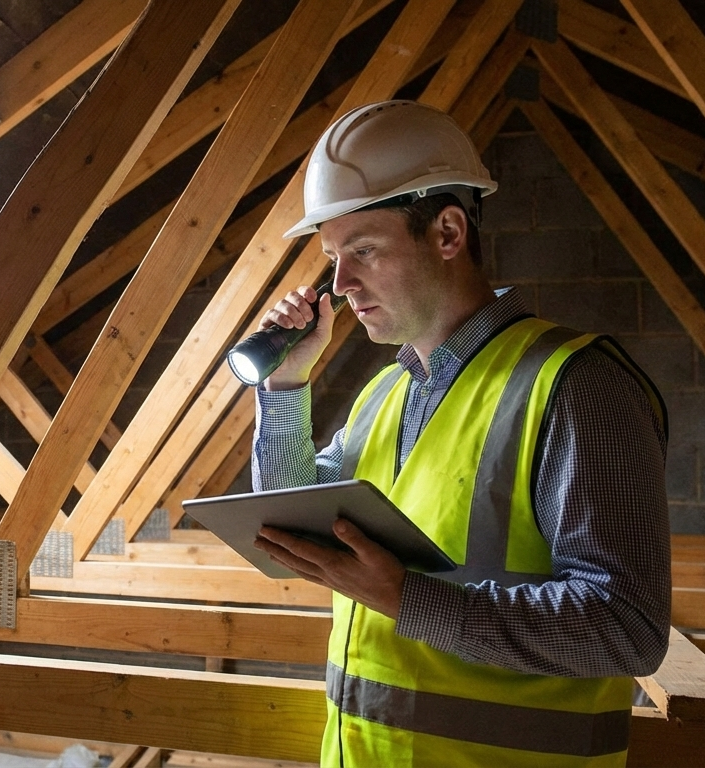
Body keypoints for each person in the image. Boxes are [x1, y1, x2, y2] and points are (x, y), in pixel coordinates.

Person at [248, 100, 670, 766]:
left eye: (361, 251)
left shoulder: (574, 385)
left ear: (448, 233)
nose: (340, 283)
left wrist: (405, 598)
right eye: (332, 257)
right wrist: (285, 386)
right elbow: (282, 519)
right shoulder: (383, 395)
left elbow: (626, 630)